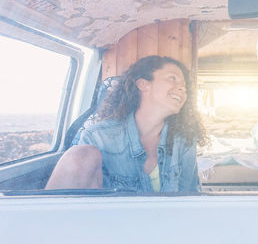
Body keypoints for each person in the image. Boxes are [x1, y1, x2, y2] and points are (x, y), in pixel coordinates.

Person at [45, 56, 208, 192]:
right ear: (143, 85)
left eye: (185, 86)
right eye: (173, 78)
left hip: (166, 227)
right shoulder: (97, 137)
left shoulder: (184, 140)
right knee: (79, 155)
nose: (182, 89)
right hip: (114, 228)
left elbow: (189, 197)